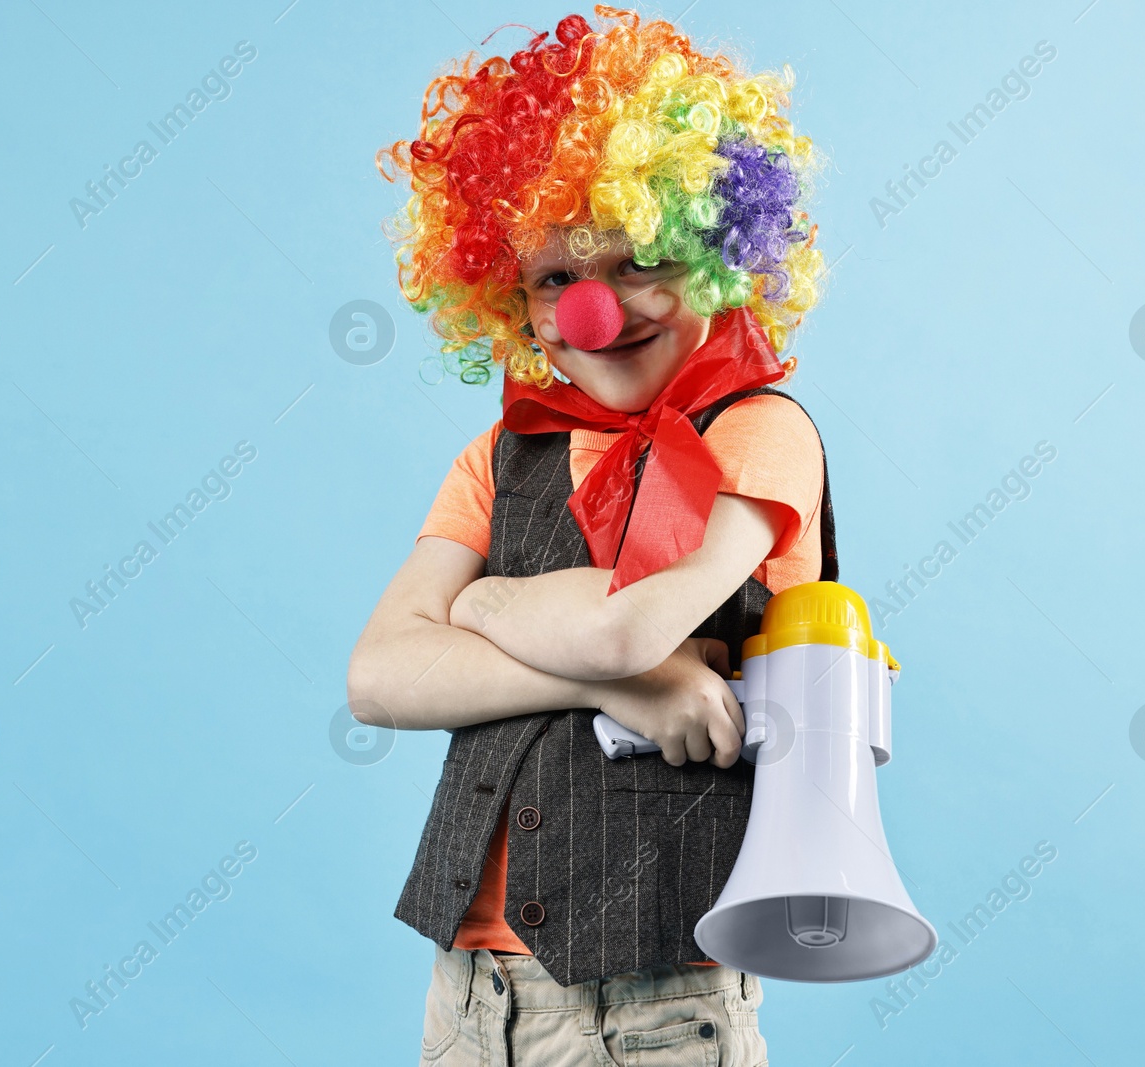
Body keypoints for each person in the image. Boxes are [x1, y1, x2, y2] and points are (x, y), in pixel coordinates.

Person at [350, 6, 839, 1062]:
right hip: (471, 995)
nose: (596, 313)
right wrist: (611, 684)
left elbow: (627, 625)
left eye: (638, 261)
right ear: (507, 298)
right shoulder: (501, 457)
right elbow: (380, 676)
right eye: (555, 279)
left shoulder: (757, 433)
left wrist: (478, 606)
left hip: (654, 998)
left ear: (718, 253)